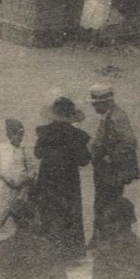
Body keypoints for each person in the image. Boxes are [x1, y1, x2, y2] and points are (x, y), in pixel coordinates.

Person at [33, 94, 92, 259]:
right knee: (69, 213)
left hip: (47, 179)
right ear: (71, 116)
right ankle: (69, 253)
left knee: (48, 211)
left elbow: (38, 154)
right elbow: (84, 160)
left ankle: (46, 252)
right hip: (68, 180)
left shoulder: (45, 132)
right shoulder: (76, 135)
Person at [87, 82, 140, 244]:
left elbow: (129, 142)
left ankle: (104, 239)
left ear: (105, 102)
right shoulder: (110, 115)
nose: (94, 107)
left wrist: (110, 158)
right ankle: (100, 237)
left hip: (112, 172)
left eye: (96, 104)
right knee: (103, 203)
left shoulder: (117, 116)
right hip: (107, 171)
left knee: (107, 204)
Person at [0, 117, 36, 243]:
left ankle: (15, 243)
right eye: (17, 135)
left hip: (20, 190)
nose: (19, 138)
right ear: (9, 134)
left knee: (17, 215)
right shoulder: (0, 148)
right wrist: (6, 178)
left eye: (21, 135)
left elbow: (32, 169)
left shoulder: (24, 150)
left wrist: (25, 180)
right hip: (3, 187)